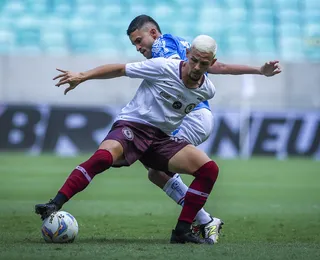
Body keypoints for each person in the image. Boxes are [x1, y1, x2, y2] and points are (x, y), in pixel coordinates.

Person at [35, 35, 220, 244]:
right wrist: (83, 76)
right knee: (103, 158)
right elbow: (120, 69)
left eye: (203, 63)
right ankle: (55, 203)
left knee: (209, 170)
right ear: (187, 54)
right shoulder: (163, 67)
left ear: (212, 63)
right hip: (133, 126)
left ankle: (182, 231)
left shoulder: (207, 90)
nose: (196, 67)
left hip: (161, 140)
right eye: (194, 60)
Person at [126, 14, 282, 242]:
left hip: (192, 117)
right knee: (155, 172)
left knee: (154, 162)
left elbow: (175, 78)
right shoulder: (182, 44)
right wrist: (259, 70)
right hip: (197, 117)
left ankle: (206, 221)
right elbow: (221, 66)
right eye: (134, 44)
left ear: (153, 33)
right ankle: (204, 220)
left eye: (139, 41)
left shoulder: (163, 49)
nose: (138, 47)